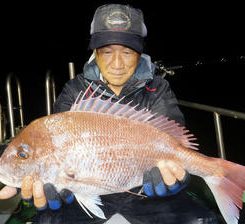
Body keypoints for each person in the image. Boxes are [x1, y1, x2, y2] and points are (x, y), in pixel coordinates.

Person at [0, 3, 220, 224]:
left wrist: (177, 179)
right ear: (95, 53)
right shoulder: (74, 91)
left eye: (127, 52)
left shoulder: (158, 88)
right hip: (86, 195)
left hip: (143, 194)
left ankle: (216, 175)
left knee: (202, 220)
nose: (116, 63)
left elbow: (177, 145)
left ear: (139, 54)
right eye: (106, 52)